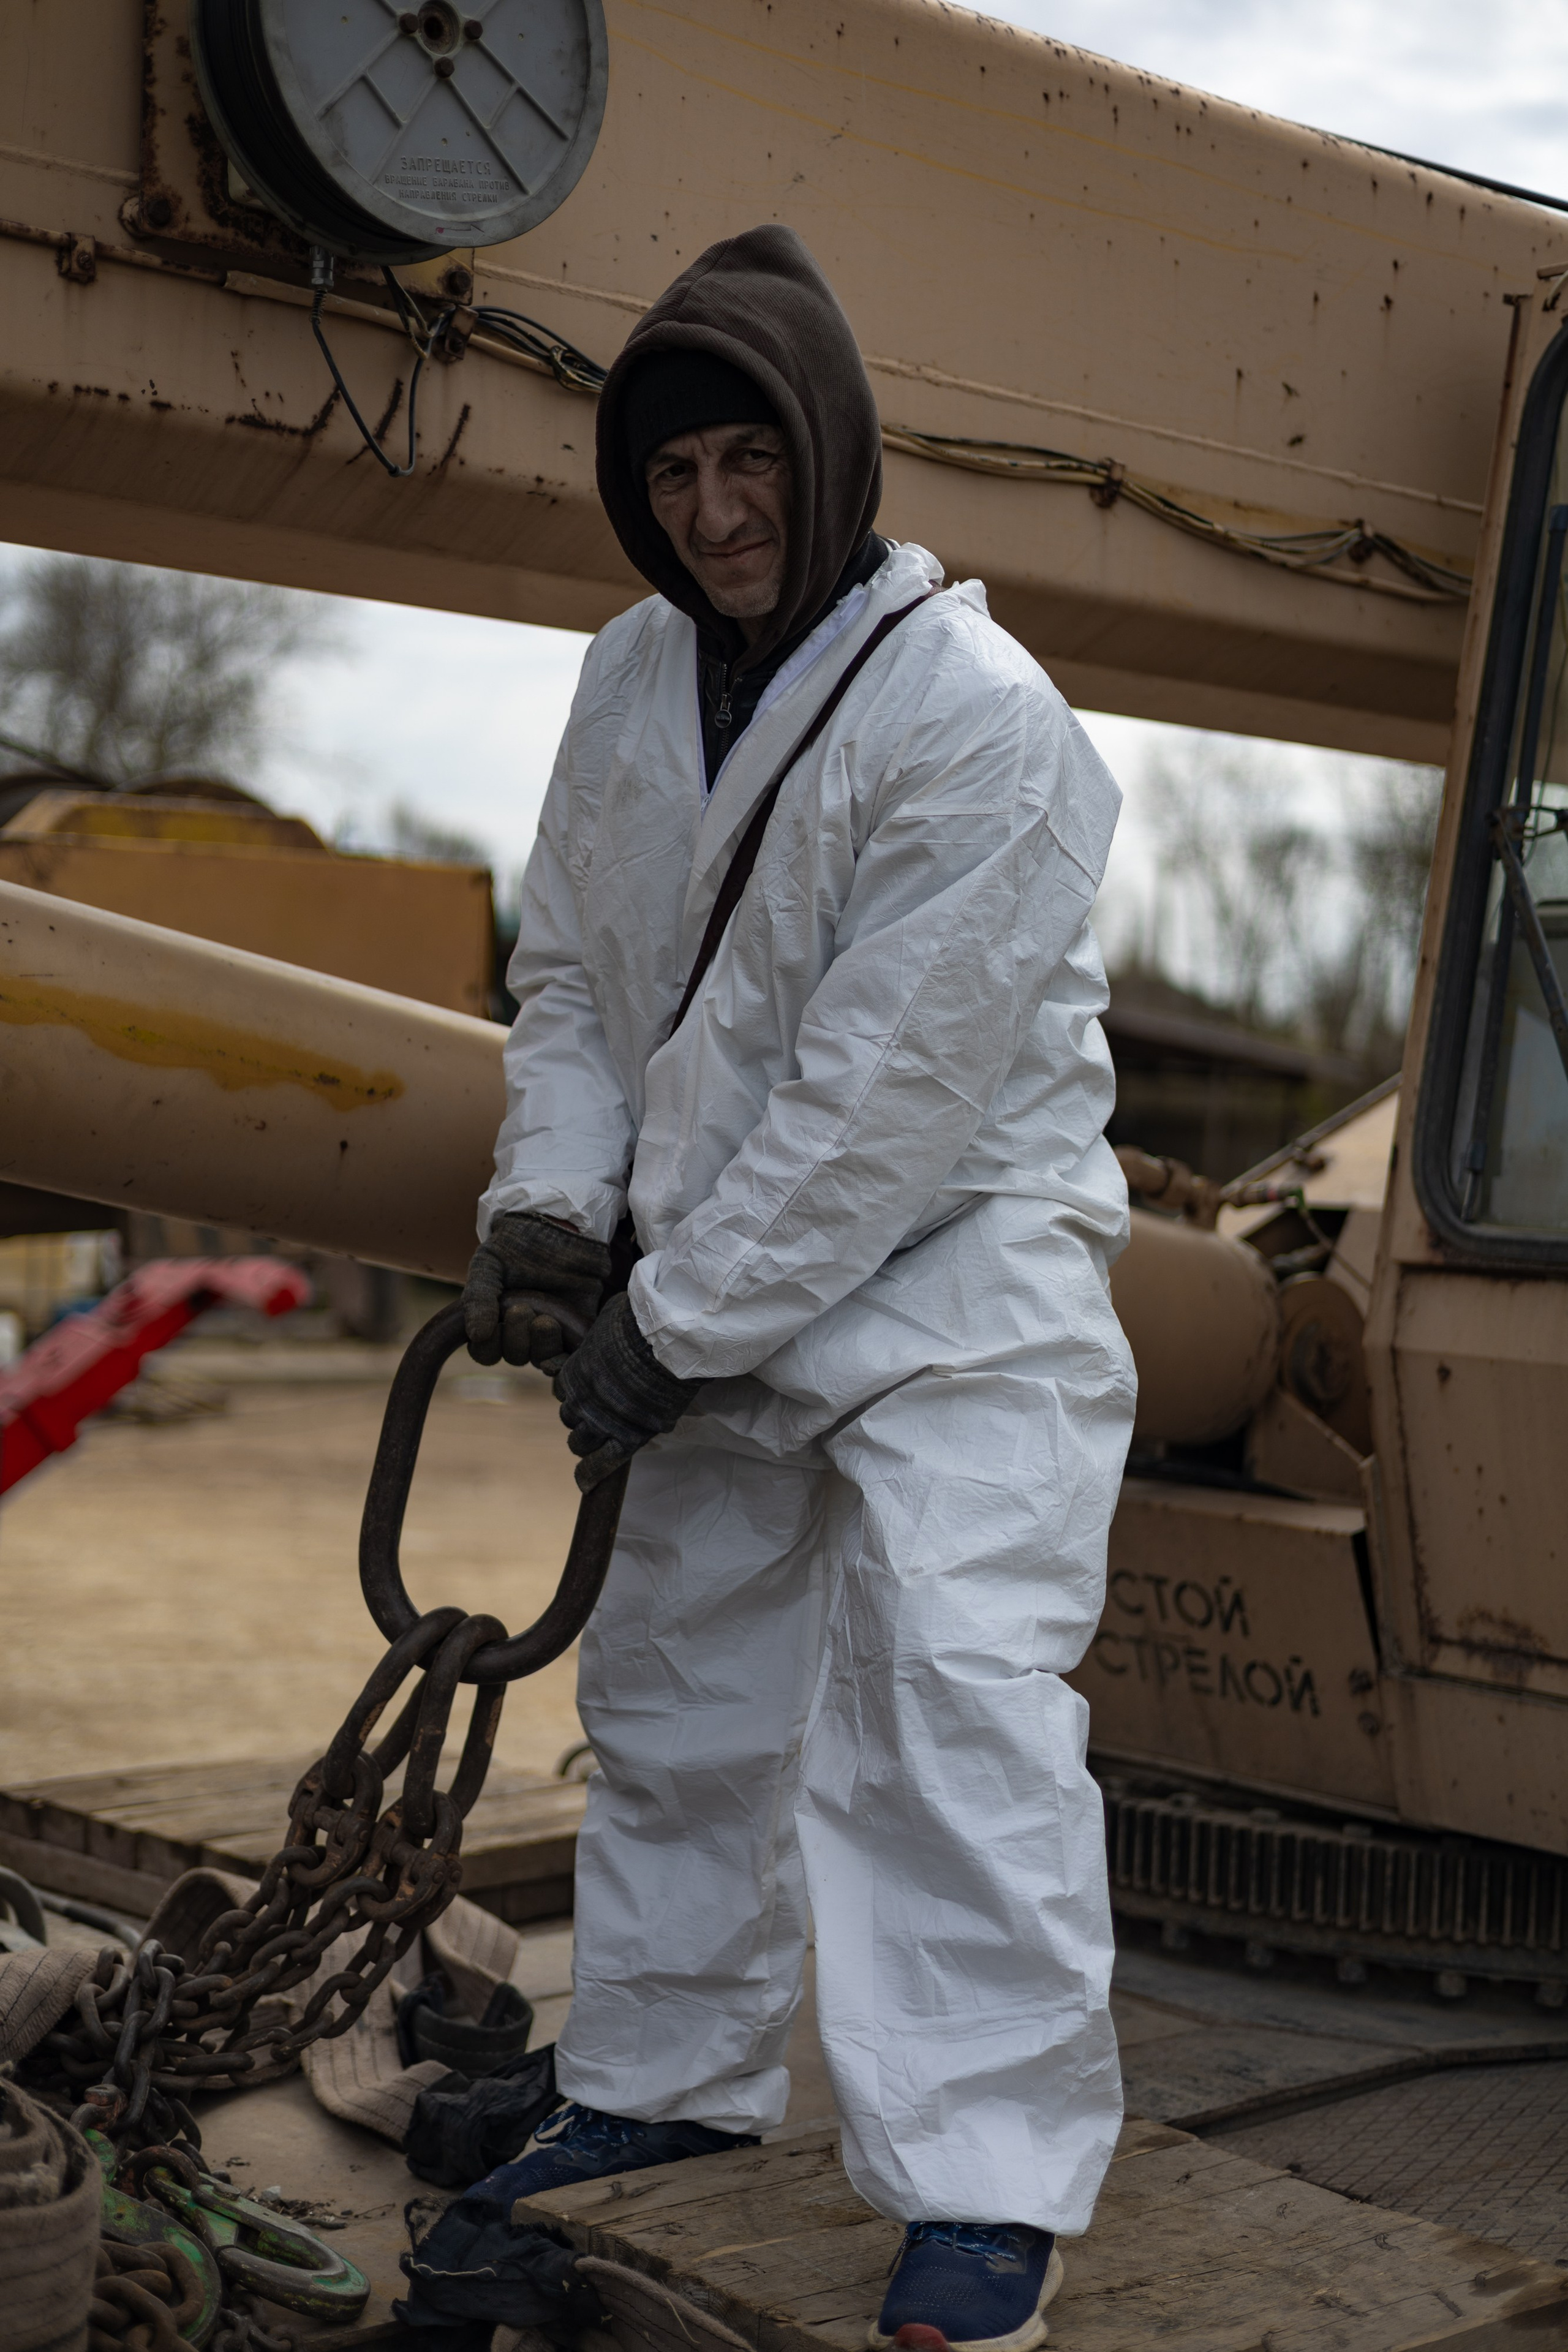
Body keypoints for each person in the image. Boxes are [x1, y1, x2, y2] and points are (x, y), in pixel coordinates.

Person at [462, 223, 1135, 2352]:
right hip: (711, 1283)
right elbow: (572, 973)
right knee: (677, 1699)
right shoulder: (624, 678)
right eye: (672, 480)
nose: (715, 515)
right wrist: (555, 1207)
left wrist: (671, 1319)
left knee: (952, 1708)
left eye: (749, 463)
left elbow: (889, 1096)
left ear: (831, 452)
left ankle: (987, 2200)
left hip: (960, 1278)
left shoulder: (983, 719)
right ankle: (660, 2087)